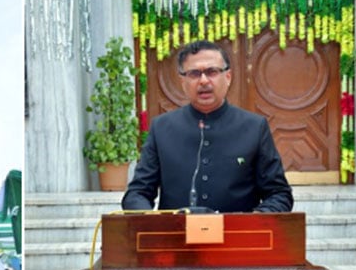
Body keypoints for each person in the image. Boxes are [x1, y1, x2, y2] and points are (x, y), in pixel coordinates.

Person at [122, 40, 293, 213]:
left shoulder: (254, 127)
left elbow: (279, 194)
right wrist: (151, 222)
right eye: (194, 74)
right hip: (176, 236)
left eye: (212, 72)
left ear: (228, 77)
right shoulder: (162, 128)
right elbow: (137, 193)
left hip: (237, 237)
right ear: (182, 81)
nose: (203, 81)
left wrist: (251, 222)